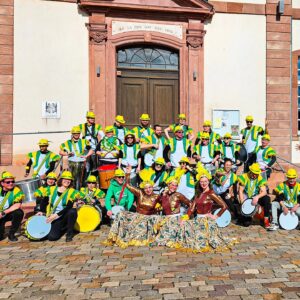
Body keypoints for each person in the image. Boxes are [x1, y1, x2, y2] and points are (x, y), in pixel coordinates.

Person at [104, 168, 162, 248]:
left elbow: (131, 197)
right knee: (119, 217)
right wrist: (109, 209)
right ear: (115, 178)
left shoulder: (156, 196)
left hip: (128, 207)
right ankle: (116, 233)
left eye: (122, 177)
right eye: (119, 177)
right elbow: (107, 198)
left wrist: (156, 210)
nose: (121, 178)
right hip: (118, 207)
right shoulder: (112, 187)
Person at [36, 171, 79, 242]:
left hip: (62, 216)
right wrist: (42, 211)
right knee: (51, 237)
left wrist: (56, 215)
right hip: (52, 215)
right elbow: (44, 201)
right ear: (61, 180)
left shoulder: (72, 192)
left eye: (69, 180)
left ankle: (69, 233)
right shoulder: (51, 189)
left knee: (72, 211)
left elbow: (68, 207)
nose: (67, 181)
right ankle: (62, 228)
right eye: (65, 179)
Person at [238, 163, 271, 228]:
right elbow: (240, 191)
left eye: (256, 174)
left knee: (267, 198)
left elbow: (264, 192)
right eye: (253, 173)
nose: (254, 175)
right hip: (246, 199)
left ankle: (266, 219)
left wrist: (257, 197)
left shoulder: (260, 178)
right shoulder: (244, 176)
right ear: (250, 171)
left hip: (255, 198)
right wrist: (242, 203)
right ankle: (244, 217)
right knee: (246, 224)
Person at [0, 172, 25, 242]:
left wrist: (2, 213)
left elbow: (17, 205)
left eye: (12, 181)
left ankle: (11, 233)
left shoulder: (17, 191)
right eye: (8, 182)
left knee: (19, 213)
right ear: (2, 183)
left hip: (7, 213)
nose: (11, 183)